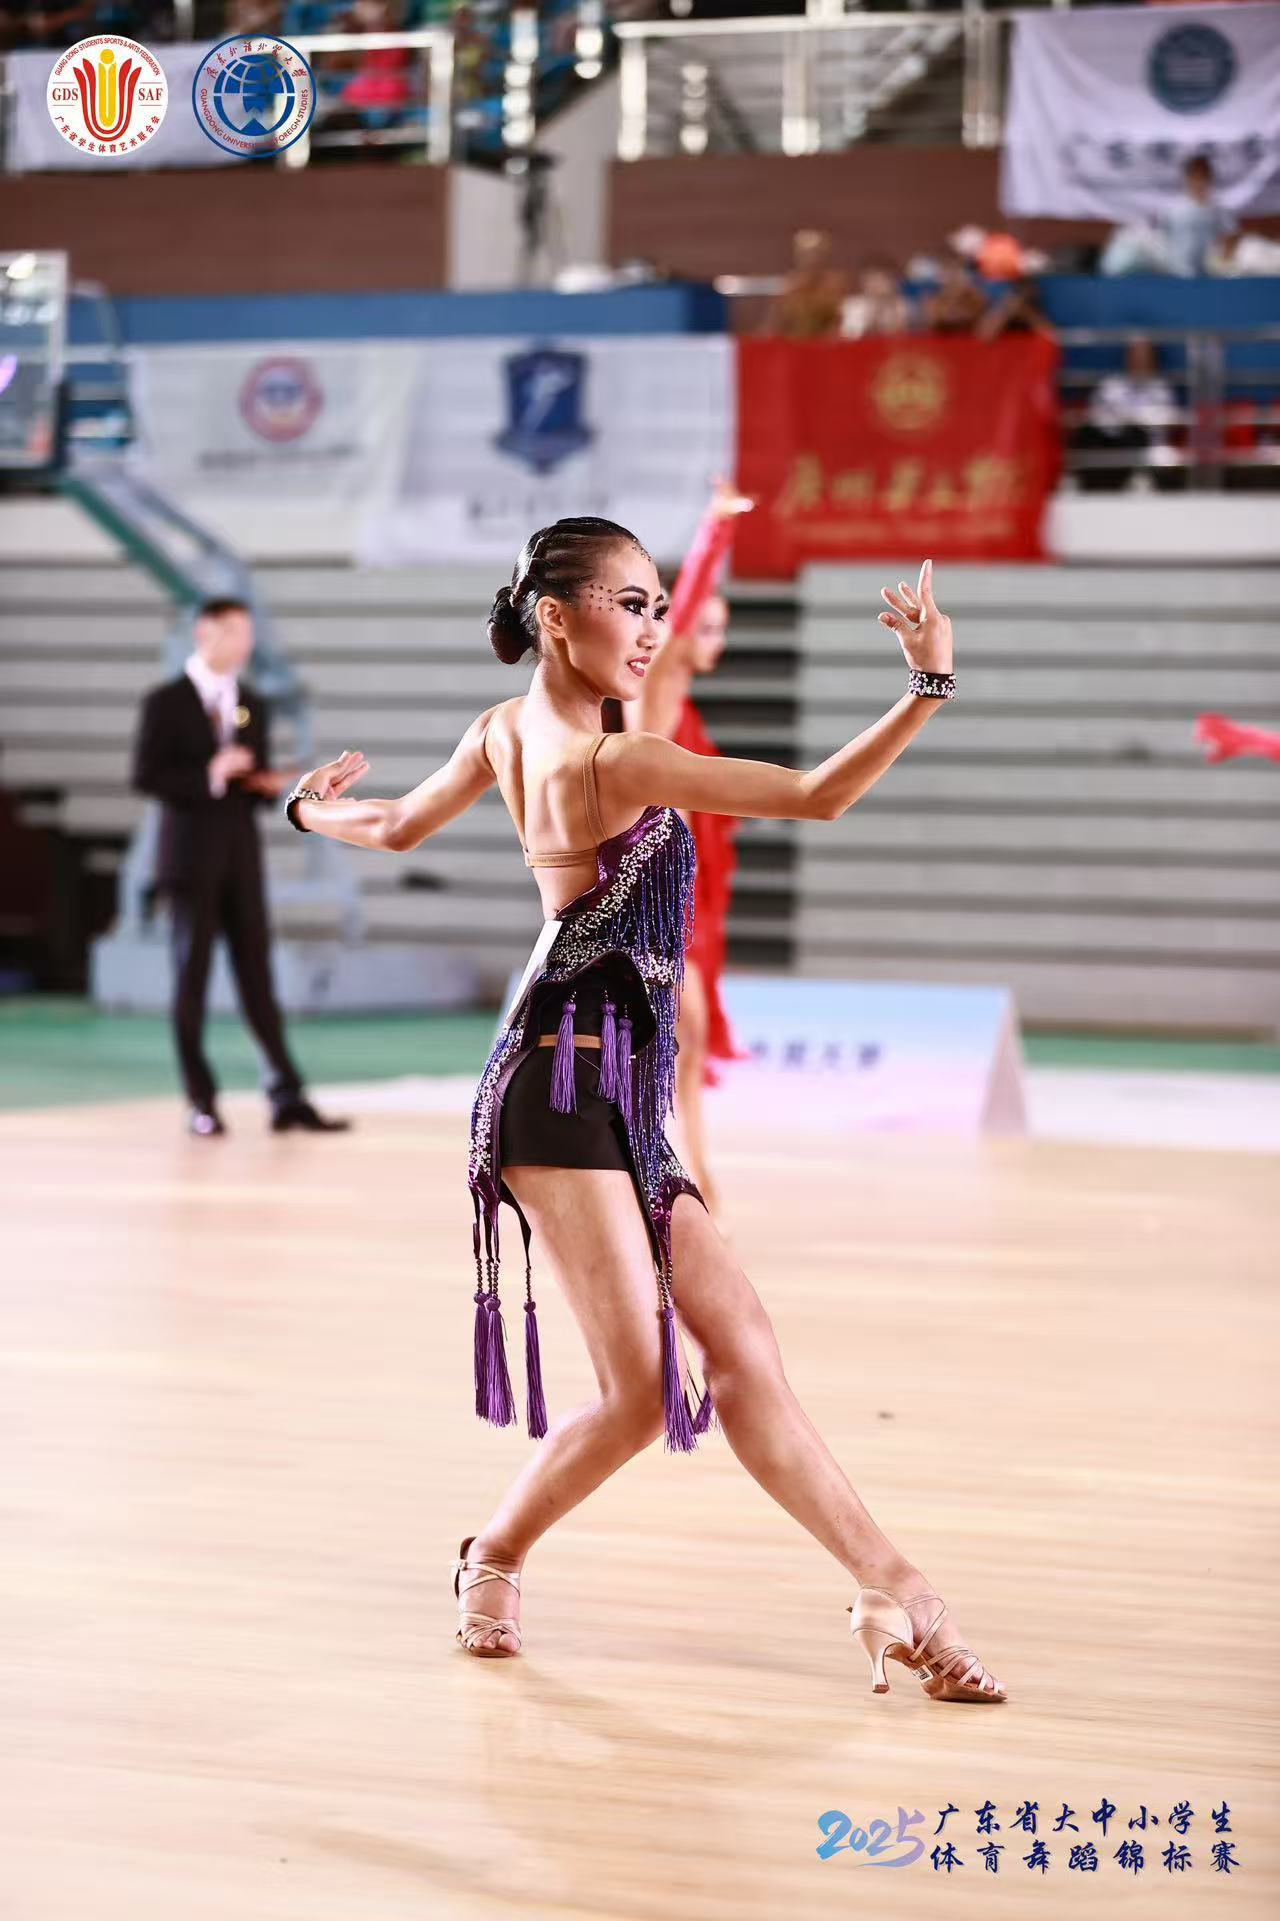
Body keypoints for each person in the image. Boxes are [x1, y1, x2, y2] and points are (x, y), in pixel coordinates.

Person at [281, 521, 1005, 1704]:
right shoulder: (618, 762)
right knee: (637, 1393)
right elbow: (816, 796)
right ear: (554, 616)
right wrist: (927, 683)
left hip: (607, 1090)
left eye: (658, 605)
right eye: (629, 603)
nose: (651, 628)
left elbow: (397, 822)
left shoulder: (501, 731)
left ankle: (897, 1590)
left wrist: (305, 811)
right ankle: (492, 1551)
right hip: (559, 1091)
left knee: (744, 1351)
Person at [131, 596, 352, 1140]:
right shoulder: (166, 702)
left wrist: (271, 785)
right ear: (204, 632)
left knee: (258, 977)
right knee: (192, 979)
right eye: (234, 630)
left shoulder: (250, 702)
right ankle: (201, 1101)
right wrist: (210, 771)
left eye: (248, 632)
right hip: (188, 859)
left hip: (240, 856)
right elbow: (147, 775)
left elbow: (249, 785)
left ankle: (286, 1096)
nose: (245, 643)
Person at [616, 480, 755, 1222]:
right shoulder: (656, 692)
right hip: (648, 890)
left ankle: (692, 1173)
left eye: (721, 629)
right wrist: (716, 529)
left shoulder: (679, 700)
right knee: (674, 1037)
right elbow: (682, 612)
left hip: (684, 887)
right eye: (705, 626)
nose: (714, 640)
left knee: (686, 1044)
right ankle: (663, 1175)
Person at [1073, 336, 1181, 493]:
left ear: (1153, 360)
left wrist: (1126, 417)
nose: (1139, 362)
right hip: (1112, 442)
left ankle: (1134, 480)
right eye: (1135, 356)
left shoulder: (1161, 389)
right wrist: (1125, 419)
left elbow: (1161, 422)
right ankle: (1092, 486)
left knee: (1136, 434)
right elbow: (1097, 416)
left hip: (1146, 445)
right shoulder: (1111, 385)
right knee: (1088, 434)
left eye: (1144, 357)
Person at [764, 229, 848, 340]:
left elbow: (840, 322)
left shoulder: (834, 285)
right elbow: (774, 325)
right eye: (805, 254)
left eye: (815, 253)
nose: (811, 259)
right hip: (793, 345)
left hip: (825, 346)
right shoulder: (789, 286)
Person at [918, 249, 989, 335]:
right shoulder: (938, 286)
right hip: (945, 321)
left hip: (967, 320)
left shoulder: (971, 284)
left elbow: (978, 301)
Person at [839, 259, 913, 340]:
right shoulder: (853, 304)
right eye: (871, 279)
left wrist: (892, 309)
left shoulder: (901, 304)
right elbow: (849, 335)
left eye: (882, 278)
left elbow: (904, 334)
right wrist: (874, 311)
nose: (877, 284)